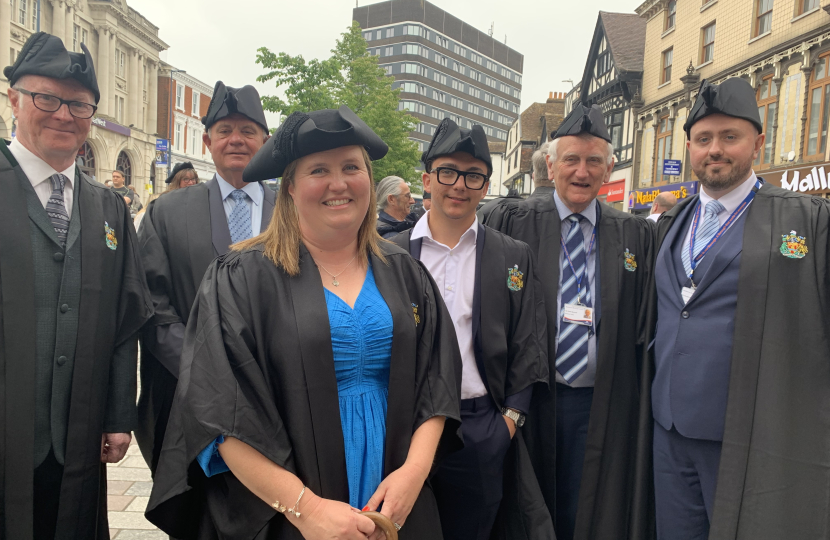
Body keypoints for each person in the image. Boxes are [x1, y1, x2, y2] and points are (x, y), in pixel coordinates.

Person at [145, 105, 463, 540]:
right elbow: (220, 413)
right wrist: (305, 509)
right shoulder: (241, 277)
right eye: (318, 170)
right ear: (289, 187)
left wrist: (413, 474)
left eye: (352, 167)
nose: (339, 183)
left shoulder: (405, 272)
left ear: (369, 179)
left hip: (397, 503)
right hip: (288, 511)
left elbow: (438, 382)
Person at [649, 77, 830, 540]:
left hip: (750, 433)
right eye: (704, 139)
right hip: (669, 430)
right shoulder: (673, 221)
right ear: (688, 146)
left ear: (758, 142)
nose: (716, 150)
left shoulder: (803, 219)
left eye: (730, 137)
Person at [0, 32, 152, 539]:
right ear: (14, 98)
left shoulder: (108, 207)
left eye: (79, 104)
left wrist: (117, 415)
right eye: (47, 98)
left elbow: (123, 321)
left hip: (78, 442)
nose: (64, 114)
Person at [487, 104, 654, 540]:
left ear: (609, 168)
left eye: (593, 161)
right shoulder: (513, 223)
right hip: (529, 401)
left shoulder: (634, 233)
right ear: (550, 165)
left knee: (590, 510)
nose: (582, 172)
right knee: (528, 507)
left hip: (599, 405)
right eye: (571, 160)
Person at [390, 118, 552, 540]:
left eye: (473, 175)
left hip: (479, 428)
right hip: (401, 426)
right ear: (427, 179)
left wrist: (509, 422)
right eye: (447, 172)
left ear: (485, 185)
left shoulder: (512, 255)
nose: (459, 185)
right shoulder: (386, 255)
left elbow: (528, 343)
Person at [135, 81, 276, 474]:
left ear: (266, 140)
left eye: (248, 131)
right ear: (206, 140)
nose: (236, 140)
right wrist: (206, 372)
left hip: (278, 398)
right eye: (225, 130)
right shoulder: (167, 213)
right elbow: (153, 305)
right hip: (190, 400)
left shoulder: (295, 212)